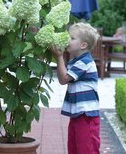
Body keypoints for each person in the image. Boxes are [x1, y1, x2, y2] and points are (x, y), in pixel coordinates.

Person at [51, 22, 100, 154]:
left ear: (83, 45)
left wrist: (59, 57)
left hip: (86, 116)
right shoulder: (76, 62)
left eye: (72, 38)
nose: (68, 40)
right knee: (74, 148)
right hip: (78, 114)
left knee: (87, 149)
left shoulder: (85, 62)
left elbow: (63, 79)